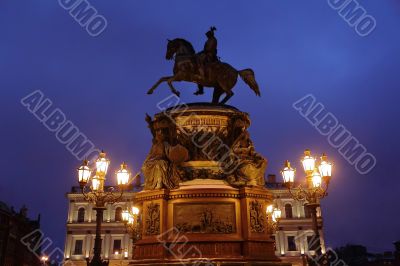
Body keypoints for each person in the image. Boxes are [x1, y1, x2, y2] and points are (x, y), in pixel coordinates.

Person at [194, 26, 218, 95]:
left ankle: (202, 72)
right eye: (207, 35)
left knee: (200, 60)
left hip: (210, 54)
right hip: (206, 52)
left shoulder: (213, 40)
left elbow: (209, 48)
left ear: (210, 35)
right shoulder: (208, 40)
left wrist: (202, 52)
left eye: (208, 35)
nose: (207, 36)